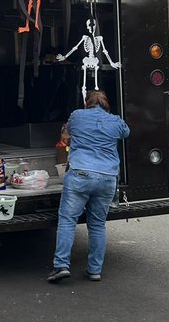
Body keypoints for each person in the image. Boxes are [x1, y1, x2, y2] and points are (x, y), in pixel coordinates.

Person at [47, 88, 129, 284]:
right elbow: (126, 132)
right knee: (98, 224)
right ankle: (94, 270)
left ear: (87, 102)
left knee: (67, 220)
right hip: (108, 177)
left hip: (80, 174)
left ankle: (61, 266)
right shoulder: (116, 120)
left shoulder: (77, 116)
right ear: (106, 103)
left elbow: (65, 136)